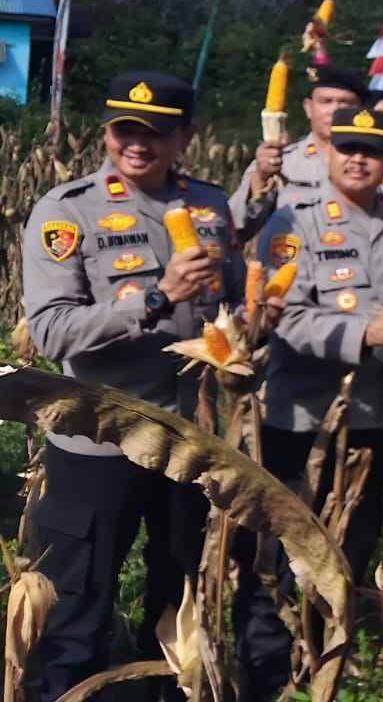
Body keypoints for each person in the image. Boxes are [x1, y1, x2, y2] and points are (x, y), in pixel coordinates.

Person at [237, 105, 383, 698]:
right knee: (278, 551)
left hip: (371, 421)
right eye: (348, 147)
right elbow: (283, 318)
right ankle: (265, 675)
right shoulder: (294, 222)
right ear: (329, 152)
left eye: (373, 150)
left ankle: (323, 661)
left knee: (349, 544)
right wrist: (363, 335)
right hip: (299, 419)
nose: (359, 158)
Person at [22, 71, 245, 702]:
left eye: (156, 132)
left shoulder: (211, 205)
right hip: (100, 442)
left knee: (179, 604)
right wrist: (156, 297)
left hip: (189, 443)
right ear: (107, 132)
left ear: (185, 138)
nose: (138, 144)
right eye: (125, 129)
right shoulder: (67, 211)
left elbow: (226, 301)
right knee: (77, 609)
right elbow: (53, 333)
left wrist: (245, 323)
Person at [231, 62, 367, 240]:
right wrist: (260, 179)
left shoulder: (376, 166)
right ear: (308, 108)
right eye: (326, 101)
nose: (334, 110)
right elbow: (234, 231)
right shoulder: (280, 162)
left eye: (345, 103)